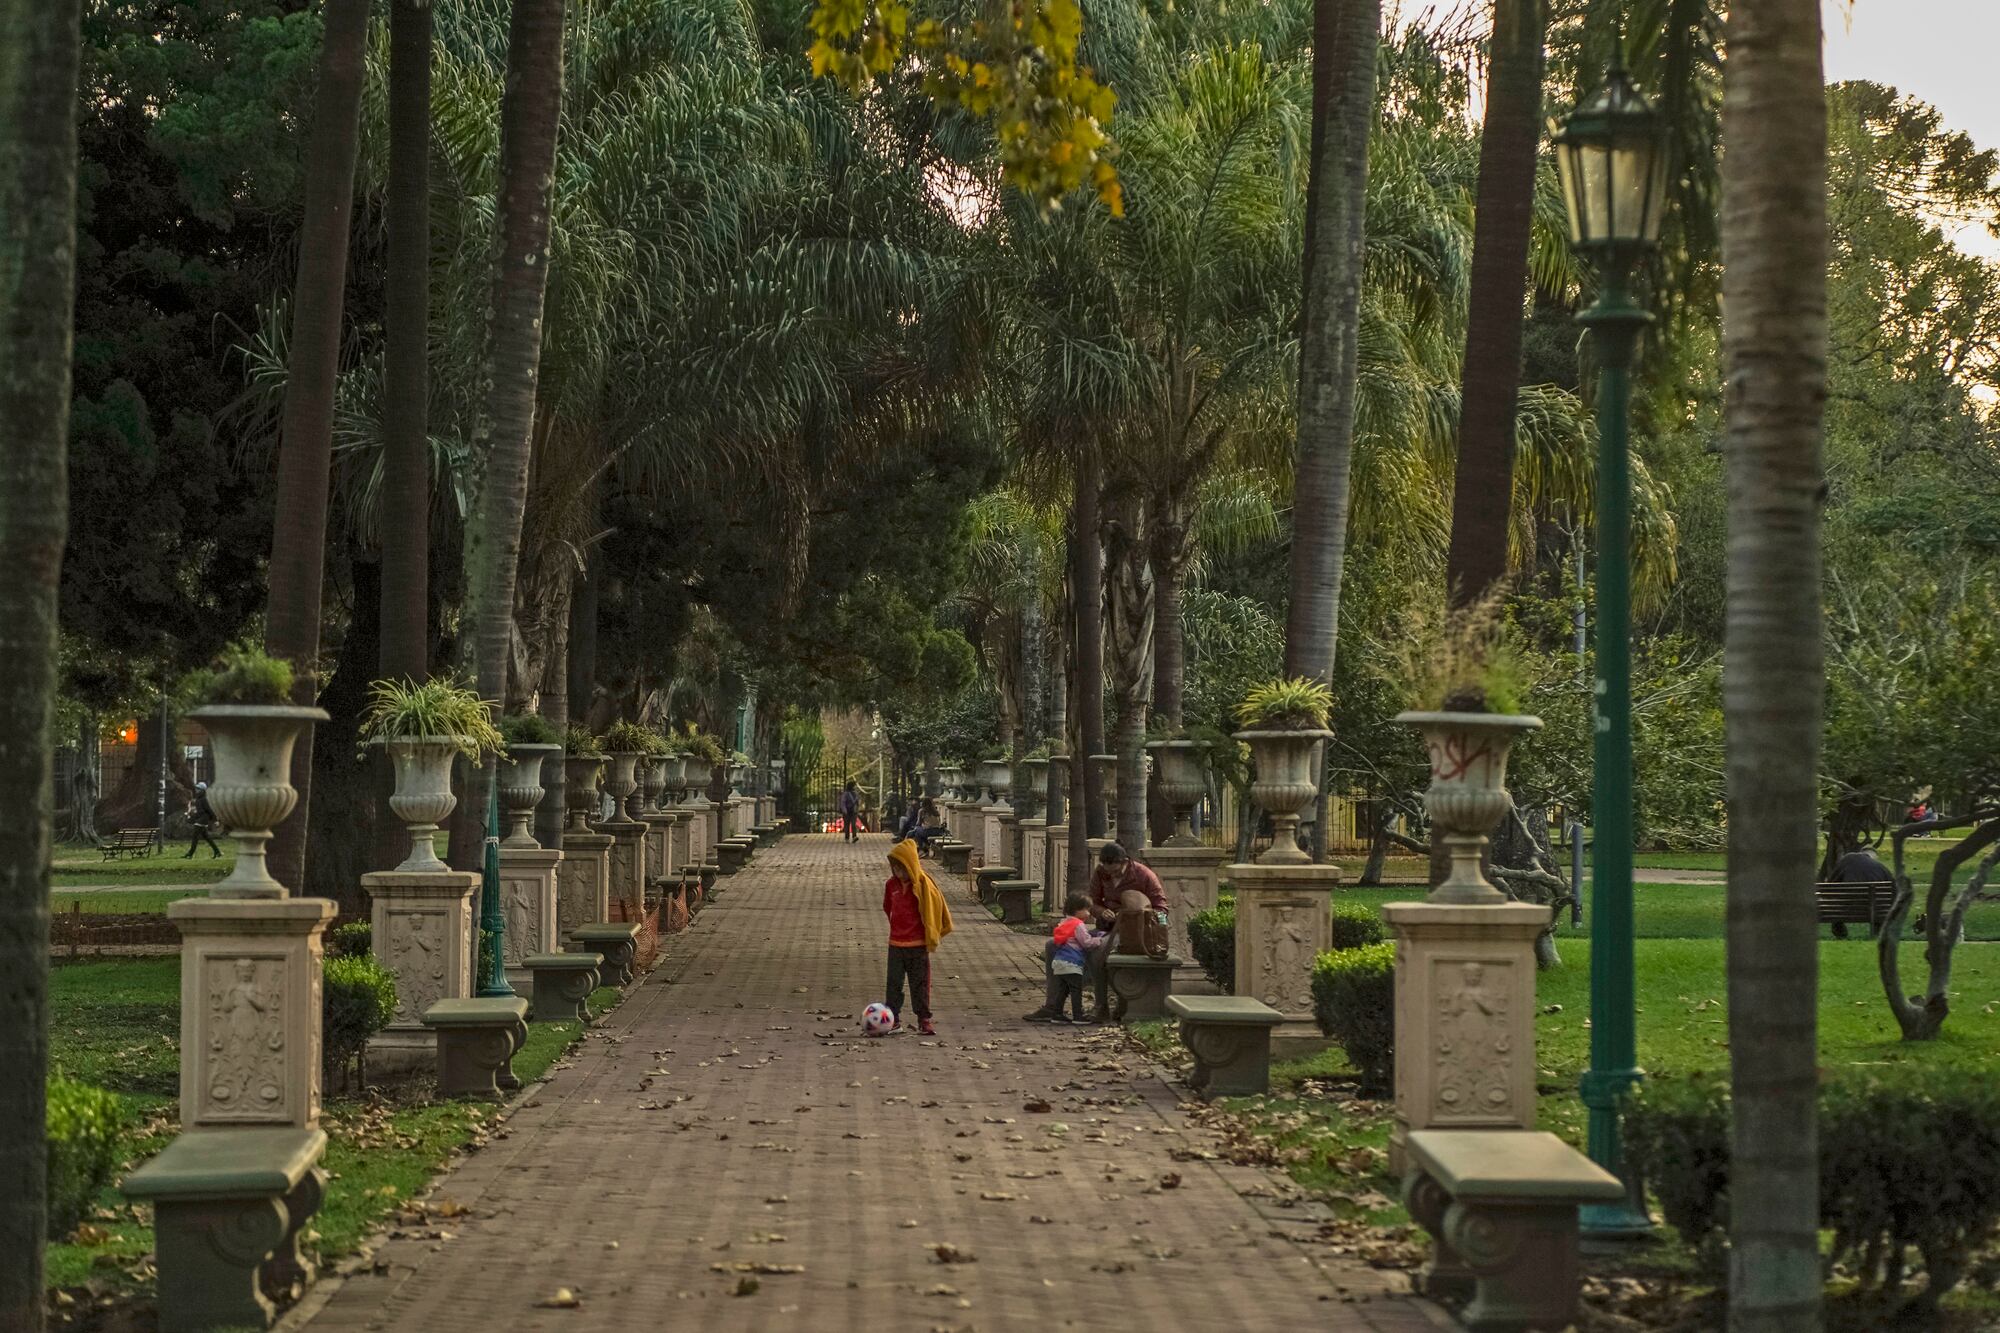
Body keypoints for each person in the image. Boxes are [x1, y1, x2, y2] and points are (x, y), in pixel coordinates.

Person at [1025, 841, 1164, 1023]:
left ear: (1124, 862)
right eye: (1108, 872)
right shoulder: (1101, 873)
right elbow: (1093, 900)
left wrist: (1134, 916)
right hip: (1104, 928)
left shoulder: (1143, 875)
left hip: (1131, 933)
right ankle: (1053, 1006)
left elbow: (1161, 907)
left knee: (1098, 951)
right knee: (1053, 945)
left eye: (1116, 871)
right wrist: (1100, 911)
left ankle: (1101, 1006)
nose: (1112, 875)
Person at [881, 839, 953, 1035]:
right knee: (894, 983)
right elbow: (888, 907)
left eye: (902, 868)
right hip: (896, 944)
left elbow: (934, 908)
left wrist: (931, 933)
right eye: (895, 868)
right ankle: (893, 1019)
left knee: (920, 984)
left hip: (917, 945)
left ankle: (924, 1019)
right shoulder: (891, 885)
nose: (898, 872)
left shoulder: (922, 885)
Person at [1046, 894, 1103, 1023]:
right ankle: (1078, 1015)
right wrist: (1098, 940)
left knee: (1063, 990)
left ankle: (1057, 1013)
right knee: (1076, 990)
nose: (1089, 913)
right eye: (1086, 910)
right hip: (1072, 963)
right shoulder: (1078, 925)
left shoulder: (1065, 922)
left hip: (1060, 961)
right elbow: (1086, 943)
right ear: (1077, 910)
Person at [183, 781, 222, 859]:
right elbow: (199, 812)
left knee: (195, 837)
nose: (196, 790)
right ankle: (217, 852)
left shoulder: (204, 799)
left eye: (198, 789)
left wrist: (215, 820)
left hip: (202, 820)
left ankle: (190, 854)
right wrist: (191, 818)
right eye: (196, 788)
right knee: (207, 837)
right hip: (201, 820)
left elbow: (209, 810)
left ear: (202, 790)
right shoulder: (199, 799)